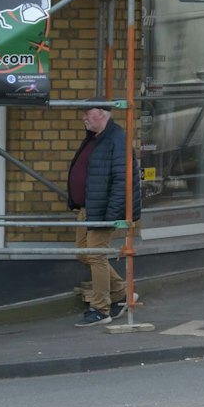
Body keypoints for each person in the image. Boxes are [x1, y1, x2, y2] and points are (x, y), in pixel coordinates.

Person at [66, 105, 139, 327]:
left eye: (87, 114)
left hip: (102, 210)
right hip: (87, 208)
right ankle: (122, 293)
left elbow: (122, 181)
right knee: (83, 253)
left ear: (101, 114)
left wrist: (111, 214)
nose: (83, 118)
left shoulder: (117, 139)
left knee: (96, 255)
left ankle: (100, 309)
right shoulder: (94, 137)